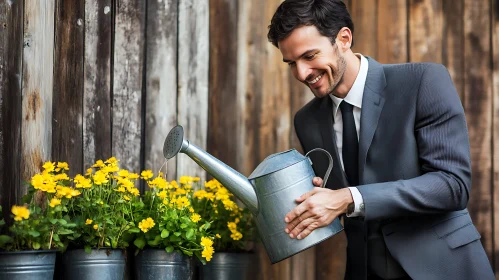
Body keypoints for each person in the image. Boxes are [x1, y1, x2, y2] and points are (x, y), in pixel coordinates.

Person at [267, 0, 495, 279]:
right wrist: (314, 195)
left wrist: (349, 197)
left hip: (443, 268)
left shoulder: (423, 81)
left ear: (344, 38)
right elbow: (334, 200)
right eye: (292, 63)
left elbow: (453, 185)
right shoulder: (306, 121)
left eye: (310, 56)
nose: (301, 74)